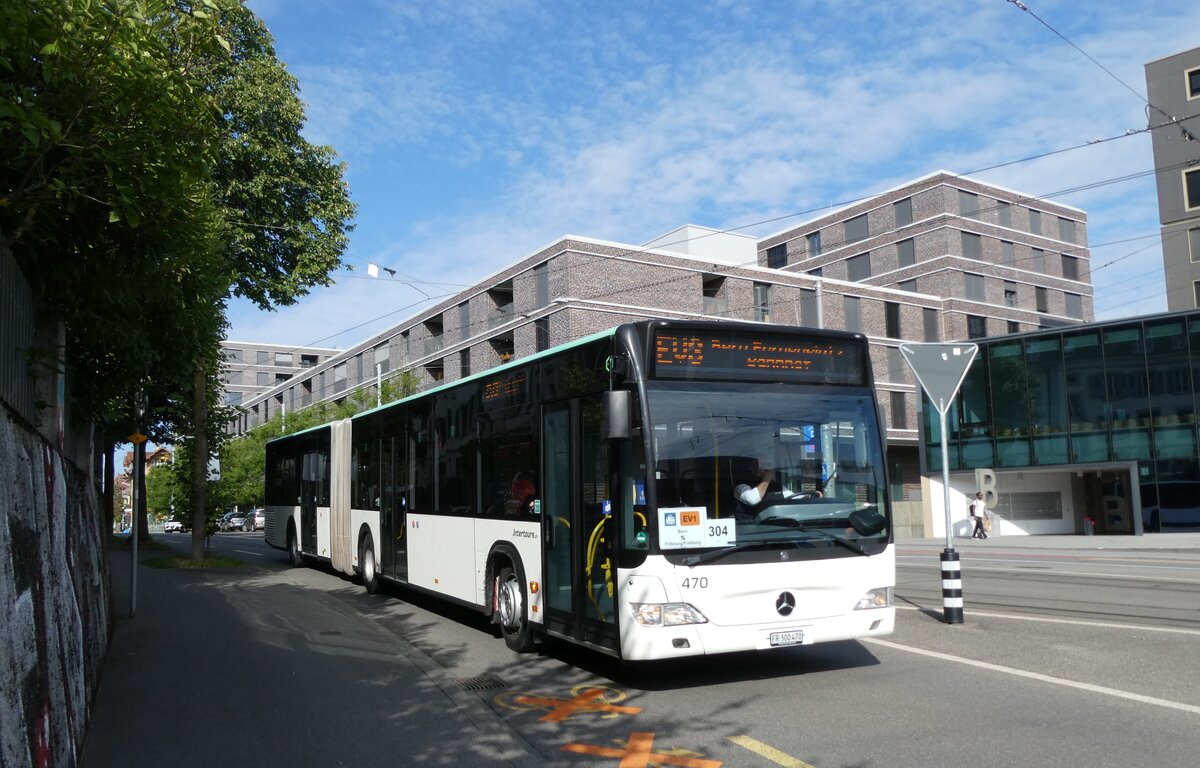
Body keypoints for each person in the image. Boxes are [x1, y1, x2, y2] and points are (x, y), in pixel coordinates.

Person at [733, 456, 817, 518]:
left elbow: (793, 497)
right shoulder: (741, 487)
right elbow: (752, 499)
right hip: (749, 533)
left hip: (774, 530)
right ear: (752, 468)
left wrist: (809, 497)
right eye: (762, 465)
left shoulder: (776, 487)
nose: (767, 468)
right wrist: (767, 477)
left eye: (768, 465)